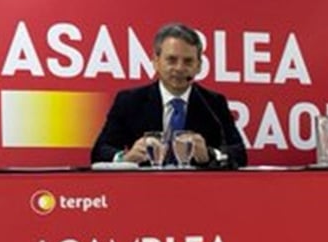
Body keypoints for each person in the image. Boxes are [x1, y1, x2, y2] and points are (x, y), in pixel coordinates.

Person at [90, 22, 247, 167]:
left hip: (197, 186)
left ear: (199, 66)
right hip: (143, 185)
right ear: (156, 61)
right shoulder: (130, 101)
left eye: (188, 61)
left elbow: (239, 154)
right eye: (171, 60)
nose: (179, 68)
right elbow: (100, 152)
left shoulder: (213, 103)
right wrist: (125, 158)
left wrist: (210, 154)